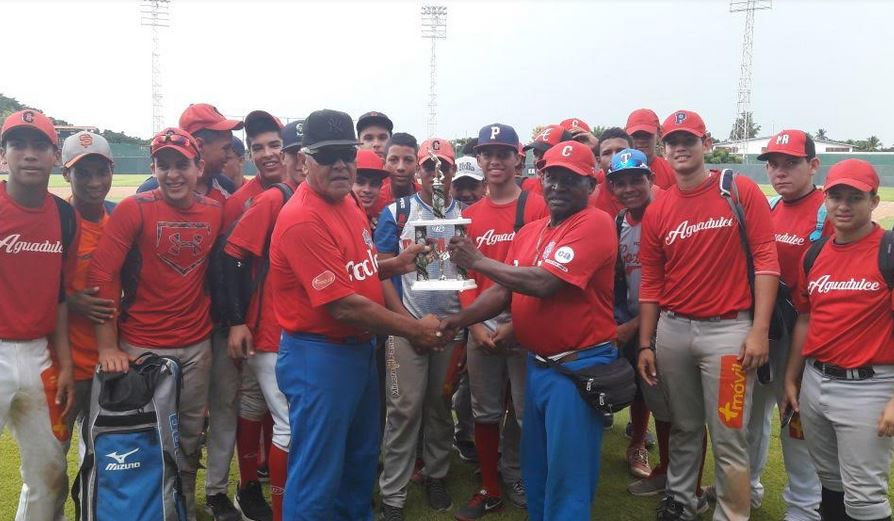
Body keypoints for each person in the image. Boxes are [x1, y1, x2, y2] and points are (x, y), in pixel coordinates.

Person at [267, 109, 446, 521]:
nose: (340, 165)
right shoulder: (302, 217)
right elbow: (342, 304)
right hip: (319, 356)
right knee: (317, 474)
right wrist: (414, 330)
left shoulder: (346, 201)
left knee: (359, 460)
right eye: (327, 156)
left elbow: (354, 270)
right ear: (305, 161)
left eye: (347, 154)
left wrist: (395, 263)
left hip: (355, 351)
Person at [444, 139, 618, 521]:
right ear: (541, 178)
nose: (558, 186)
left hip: (577, 367)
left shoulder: (594, 222)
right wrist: (458, 321)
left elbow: (544, 282)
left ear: (591, 184)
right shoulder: (532, 230)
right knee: (537, 468)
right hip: (539, 364)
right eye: (552, 176)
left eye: (570, 179)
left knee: (568, 474)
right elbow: (503, 291)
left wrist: (478, 261)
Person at [637, 110, 779, 521]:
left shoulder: (736, 189)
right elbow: (652, 281)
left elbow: (766, 260)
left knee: (729, 432)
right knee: (684, 425)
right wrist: (645, 342)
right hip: (673, 329)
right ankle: (683, 501)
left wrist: (759, 330)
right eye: (673, 141)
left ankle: (732, 514)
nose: (680, 148)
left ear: (707, 144)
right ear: (664, 148)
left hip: (728, 330)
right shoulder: (660, 208)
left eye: (689, 140)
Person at [88, 127, 223, 521]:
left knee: (190, 435)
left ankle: (182, 506)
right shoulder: (135, 208)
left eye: (181, 164)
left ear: (198, 167)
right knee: (144, 435)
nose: (173, 174)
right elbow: (102, 276)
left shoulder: (215, 211)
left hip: (197, 344)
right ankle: (149, 507)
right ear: (153, 168)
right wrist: (108, 346)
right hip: (141, 346)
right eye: (163, 165)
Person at [783, 159, 893, 521]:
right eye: (836, 196)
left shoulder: (888, 250)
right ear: (825, 199)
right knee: (829, 483)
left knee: (864, 497)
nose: (843, 206)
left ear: (873, 201)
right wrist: (792, 377)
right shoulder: (815, 253)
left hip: (870, 386)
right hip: (816, 381)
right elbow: (805, 318)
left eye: (855, 198)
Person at [453, 123, 549, 519]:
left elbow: (543, 274)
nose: (494, 160)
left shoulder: (537, 206)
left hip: (525, 322)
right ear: (479, 159)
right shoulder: (469, 214)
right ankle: (490, 486)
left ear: (517, 158)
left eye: (503, 153)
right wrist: (475, 326)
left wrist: (517, 325)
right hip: (481, 322)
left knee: (526, 412)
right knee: (485, 410)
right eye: (487, 153)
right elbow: (462, 276)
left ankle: (517, 474)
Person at [375, 138, 463, 520]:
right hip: (406, 323)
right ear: (419, 170)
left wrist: (460, 322)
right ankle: (393, 494)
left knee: (440, 407)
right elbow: (380, 273)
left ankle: (436, 475)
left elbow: (474, 273)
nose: (436, 174)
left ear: (454, 170)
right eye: (429, 166)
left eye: (444, 166)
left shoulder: (466, 213)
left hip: (451, 327)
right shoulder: (397, 212)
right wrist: (407, 326)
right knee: (404, 410)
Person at [0, 109, 76, 521]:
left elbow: (60, 296)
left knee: (50, 475)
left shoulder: (63, 215)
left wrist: (66, 365)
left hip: (39, 355)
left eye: (39, 146)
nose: (29, 154)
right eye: (18, 144)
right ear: (4, 155)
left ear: (54, 156)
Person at [747, 130, 822, 520]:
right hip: (766, 329)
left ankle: (804, 507)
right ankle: (746, 489)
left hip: (804, 335)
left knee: (795, 419)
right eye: (774, 164)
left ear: (813, 165)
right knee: (750, 414)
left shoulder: (827, 210)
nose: (780, 172)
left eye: (791, 163)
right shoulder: (771, 208)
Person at [604, 148, 660, 482]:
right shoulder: (618, 222)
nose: (628, 189)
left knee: (649, 387)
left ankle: (638, 442)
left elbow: (673, 284)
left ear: (650, 179)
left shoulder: (664, 216)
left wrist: (634, 327)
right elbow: (617, 276)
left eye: (635, 180)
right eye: (620, 182)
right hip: (628, 315)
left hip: (662, 320)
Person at [60, 131, 117, 439]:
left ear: (112, 171)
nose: (94, 182)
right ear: (65, 173)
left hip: (111, 364)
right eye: (83, 173)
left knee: (106, 455)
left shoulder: (120, 219)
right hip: (64, 364)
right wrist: (69, 300)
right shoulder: (56, 221)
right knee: (51, 458)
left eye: (101, 172)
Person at [138, 103, 242, 200]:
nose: (230, 155)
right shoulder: (149, 191)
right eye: (225, 148)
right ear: (199, 145)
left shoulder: (225, 185)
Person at [372, 132, 421, 217]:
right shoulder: (374, 200)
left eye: (408, 160)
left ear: (417, 165)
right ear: (384, 164)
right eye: (393, 160)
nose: (400, 167)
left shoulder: (427, 197)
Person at [625, 108, 676, 189]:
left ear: (659, 134)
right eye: (636, 135)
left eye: (647, 135)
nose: (641, 140)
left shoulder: (672, 171)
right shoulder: (618, 170)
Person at [590, 127, 633, 216]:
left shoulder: (655, 195)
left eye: (621, 151)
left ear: (633, 154)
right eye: (607, 153)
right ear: (599, 162)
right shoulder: (590, 201)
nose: (614, 158)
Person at [521, 125, 574, 196]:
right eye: (535, 154)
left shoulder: (578, 194)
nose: (537, 161)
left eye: (545, 154)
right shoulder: (522, 187)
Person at [353, 149, 389, 229]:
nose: (367, 190)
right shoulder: (338, 216)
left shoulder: (381, 218)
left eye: (374, 184)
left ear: (380, 186)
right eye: (360, 182)